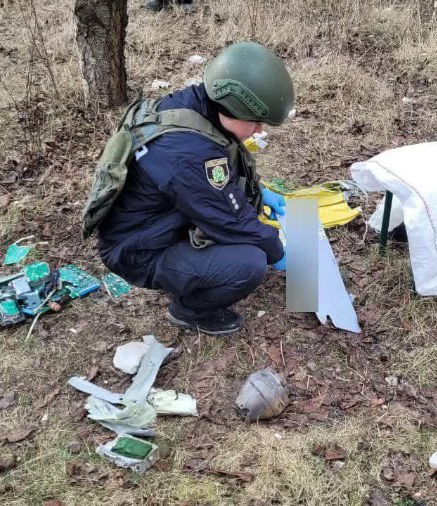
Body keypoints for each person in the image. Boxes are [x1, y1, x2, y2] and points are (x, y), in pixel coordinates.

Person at [96, 41, 293, 336]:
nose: (259, 130)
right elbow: (232, 221)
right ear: (233, 109)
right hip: (137, 250)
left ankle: (188, 269)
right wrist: (277, 251)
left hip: (150, 225)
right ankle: (189, 311)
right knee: (250, 263)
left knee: (245, 236)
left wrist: (260, 191)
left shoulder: (196, 108)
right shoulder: (188, 152)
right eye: (256, 122)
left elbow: (217, 178)